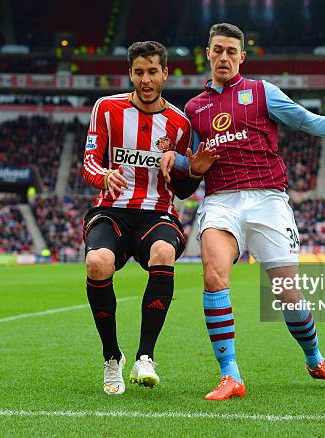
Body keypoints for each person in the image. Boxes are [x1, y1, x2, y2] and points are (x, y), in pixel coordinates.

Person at [164, 23, 325, 400]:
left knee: (287, 294)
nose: (225, 57)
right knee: (215, 276)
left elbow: (310, 122)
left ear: (241, 57)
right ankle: (231, 375)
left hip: (268, 200)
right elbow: (193, 164)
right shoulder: (194, 109)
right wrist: (177, 159)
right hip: (220, 201)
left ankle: (315, 359)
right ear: (208, 53)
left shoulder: (262, 92)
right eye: (218, 50)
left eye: (232, 51)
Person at [82, 41, 217, 396]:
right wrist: (104, 176)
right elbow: (89, 161)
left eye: (152, 72)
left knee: (163, 253)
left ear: (165, 73)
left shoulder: (179, 122)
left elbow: (184, 190)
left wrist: (195, 172)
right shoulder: (106, 108)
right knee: (97, 262)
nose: (146, 79)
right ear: (130, 73)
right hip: (111, 211)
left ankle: (145, 356)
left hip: (158, 212)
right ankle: (112, 357)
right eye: (139, 72)